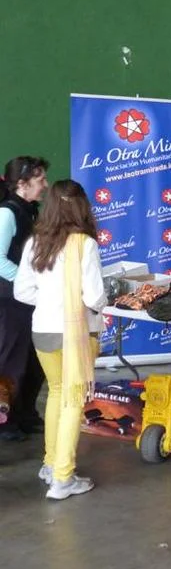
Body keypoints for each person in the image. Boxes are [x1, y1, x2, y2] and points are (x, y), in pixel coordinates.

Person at [13, 179, 106, 499]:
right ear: (82, 206)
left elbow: (22, 291)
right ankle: (63, 478)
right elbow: (94, 296)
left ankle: (51, 464)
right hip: (76, 333)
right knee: (73, 400)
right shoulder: (85, 244)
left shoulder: (35, 242)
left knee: (56, 393)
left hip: (43, 330)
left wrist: (50, 302)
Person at [0, 156, 49, 441]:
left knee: (33, 359)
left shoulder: (30, 211)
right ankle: (4, 422)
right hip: (10, 301)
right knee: (11, 362)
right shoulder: (7, 213)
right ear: (22, 183)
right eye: (40, 180)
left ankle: (25, 414)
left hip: (30, 299)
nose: (45, 185)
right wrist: (25, 280)